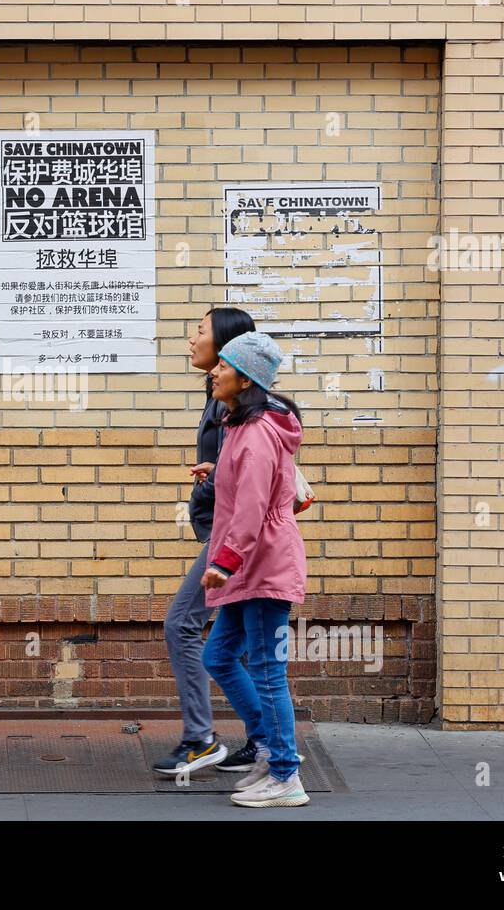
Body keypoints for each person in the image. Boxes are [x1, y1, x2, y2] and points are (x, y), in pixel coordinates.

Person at [199, 331, 310, 807]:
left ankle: (286, 775)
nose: (213, 371)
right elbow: (247, 487)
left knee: (267, 671)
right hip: (250, 564)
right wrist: (216, 474)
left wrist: (223, 561)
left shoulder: (259, 431)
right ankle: (269, 749)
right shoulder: (240, 425)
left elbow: (252, 507)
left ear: (245, 378)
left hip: (260, 566)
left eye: (222, 365)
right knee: (218, 657)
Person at [151, 308, 255, 777]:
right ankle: (265, 742)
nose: (192, 340)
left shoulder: (235, 403)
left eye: (200, 332)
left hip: (229, 535)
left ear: (226, 346)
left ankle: (200, 739)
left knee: (182, 625)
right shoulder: (220, 397)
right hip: (226, 531)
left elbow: (249, 466)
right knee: (234, 643)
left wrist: (214, 480)